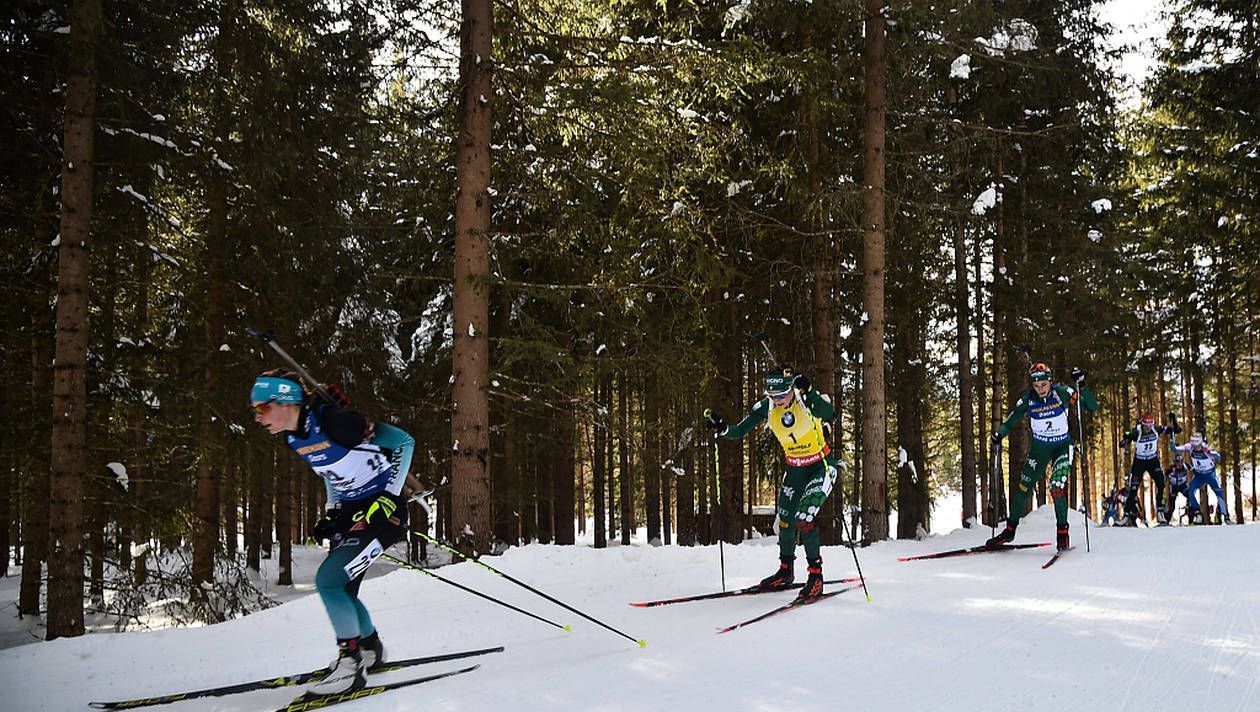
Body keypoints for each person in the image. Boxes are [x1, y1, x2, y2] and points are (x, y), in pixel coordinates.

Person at [250, 369, 415, 699]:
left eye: (263, 408)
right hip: (353, 512)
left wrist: (389, 496)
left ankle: (350, 665)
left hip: (384, 511)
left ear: (286, 401)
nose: (258, 417)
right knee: (344, 589)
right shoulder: (294, 436)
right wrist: (332, 510)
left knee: (329, 581)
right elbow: (331, 470)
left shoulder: (337, 422)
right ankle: (369, 650)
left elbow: (403, 442)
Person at [705, 367, 837, 602]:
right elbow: (740, 429)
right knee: (785, 521)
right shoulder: (766, 406)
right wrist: (722, 428)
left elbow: (830, 414)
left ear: (791, 389)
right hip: (794, 470)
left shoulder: (804, 399)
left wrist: (810, 391)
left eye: (782, 395)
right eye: (772, 395)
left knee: (804, 517)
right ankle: (785, 571)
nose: (777, 400)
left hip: (820, 466)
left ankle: (816, 578)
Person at [986, 363, 1099, 551]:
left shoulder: (1062, 392)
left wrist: (1082, 385)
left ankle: (1062, 533)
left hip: (1062, 448)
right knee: (1023, 488)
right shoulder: (1028, 400)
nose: (1040, 389)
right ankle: (1009, 531)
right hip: (1039, 450)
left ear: (1050, 382)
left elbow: (1091, 406)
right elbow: (1012, 419)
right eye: (1037, 386)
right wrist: (999, 434)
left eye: (1044, 385)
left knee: (1056, 487)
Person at [1117, 413, 1181, 526]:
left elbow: (1171, 430)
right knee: (1133, 488)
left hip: (1152, 460)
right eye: (1146, 425)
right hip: (1139, 462)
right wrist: (1125, 440)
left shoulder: (1155, 429)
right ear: (1143, 424)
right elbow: (1128, 436)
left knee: (1161, 483)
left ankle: (1160, 511)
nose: (1148, 427)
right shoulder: (1138, 432)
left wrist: (1174, 425)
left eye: (1150, 424)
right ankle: (1126, 515)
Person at [1170, 434, 1230, 525]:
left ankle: (1226, 516)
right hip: (1199, 475)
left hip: (1210, 475)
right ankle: (1198, 513)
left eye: (1197, 445)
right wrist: (1172, 439)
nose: (1195, 447)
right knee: (1190, 491)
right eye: (1193, 445)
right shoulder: (1189, 447)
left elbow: (1218, 456)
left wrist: (1209, 452)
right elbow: (1175, 449)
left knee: (1219, 493)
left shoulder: (1205, 448)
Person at [1163, 454, 1192, 524]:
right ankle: (1167, 519)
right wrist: (1165, 482)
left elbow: (1193, 470)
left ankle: (1191, 517)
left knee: (1190, 496)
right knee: (1171, 503)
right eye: (1177, 462)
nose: (1179, 464)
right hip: (1174, 487)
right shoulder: (1171, 468)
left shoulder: (1186, 466)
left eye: (1180, 462)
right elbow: (1165, 475)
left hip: (1183, 486)